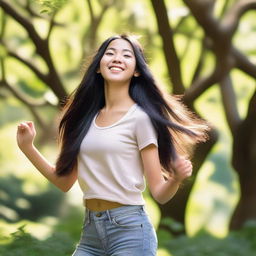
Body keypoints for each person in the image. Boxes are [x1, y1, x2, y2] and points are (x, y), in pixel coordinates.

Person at [16, 34, 209, 256]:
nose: (117, 58)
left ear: (136, 70)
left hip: (130, 232)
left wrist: (175, 179)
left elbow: (159, 193)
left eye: (127, 55)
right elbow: (64, 181)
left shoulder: (140, 119)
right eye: (110, 53)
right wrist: (28, 148)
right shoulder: (83, 119)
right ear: (98, 66)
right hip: (90, 234)